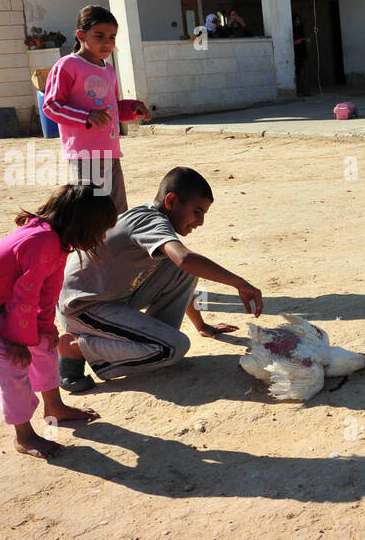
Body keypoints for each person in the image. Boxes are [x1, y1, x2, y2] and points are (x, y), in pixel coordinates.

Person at [0, 183, 117, 459]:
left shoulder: (58, 243)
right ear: (84, 224)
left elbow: (48, 292)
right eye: (101, 229)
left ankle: (54, 407)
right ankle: (24, 436)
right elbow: (26, 296)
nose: (102, 236)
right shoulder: (41, 240)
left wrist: (46, 328)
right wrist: (17, 340)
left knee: (44, 345)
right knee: (12, 363)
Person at [56, 167, 264, 393]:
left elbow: (183, 268)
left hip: (114, 299)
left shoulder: (153, 220)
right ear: (171, 201)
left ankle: (149, 341)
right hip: (82, 308)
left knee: (182, 269)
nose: (200, 222)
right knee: (173, 348)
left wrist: (201, 325)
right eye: (197, 212)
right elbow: (184, 258)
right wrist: (240, 283)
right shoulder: (150, 221)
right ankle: (77, 349)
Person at [42, 5, 152, 215]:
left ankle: (115, 248)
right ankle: (91, 250)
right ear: (81, 35)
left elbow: (112, 109)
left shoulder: (108, 70)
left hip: (111, 153)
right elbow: (51, 106)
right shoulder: (67, 65)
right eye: (99, 36)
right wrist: (86, 116)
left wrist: (132, 108)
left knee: (116, 213)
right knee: (90, 215)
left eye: (112, 37)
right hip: (84, 154)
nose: (107, 42)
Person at [293, 13, 309, 97]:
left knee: (304, 73)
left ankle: (305, 91)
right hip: (297, 54)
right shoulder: (293, 31)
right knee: (298, 73)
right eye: (296, 20)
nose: (297, 21)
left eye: (298, 20)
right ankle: (298, 91)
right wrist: (302, 40)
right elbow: (293, 42)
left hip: (303, 54)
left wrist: (305, 40)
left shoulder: (301, 30)